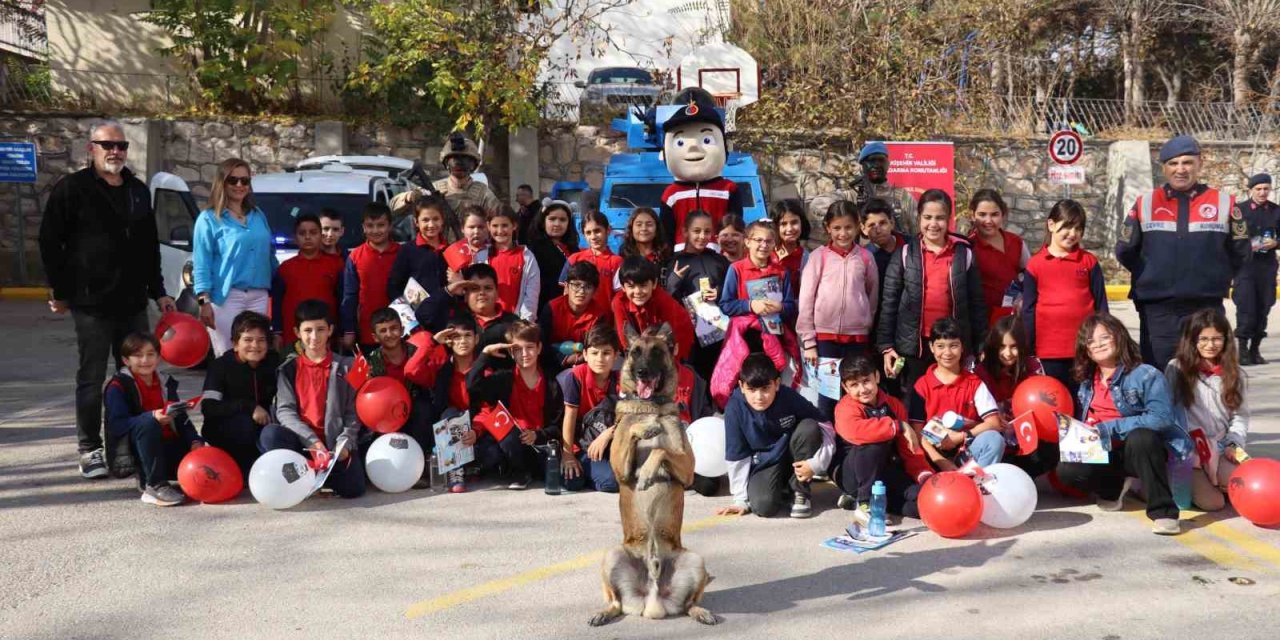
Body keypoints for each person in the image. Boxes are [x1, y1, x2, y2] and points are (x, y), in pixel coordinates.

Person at [38, 120, 176, 479]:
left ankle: (123, 448)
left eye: (121, 145)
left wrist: (158, 291)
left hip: (131, 303)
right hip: (91, 303)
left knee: (135, 376)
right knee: (92, 377)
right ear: (91, 148)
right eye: (107, 145)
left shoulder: (137, 190)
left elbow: (149, 248)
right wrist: (59, 289)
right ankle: (90, 449)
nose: (115, 151)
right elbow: (51, 241)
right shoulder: (72, 189)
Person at [1117, 134, 1250, 366]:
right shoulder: (1145, 203)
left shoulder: (1224, 203)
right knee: (1158, 378)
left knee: (1207, 378)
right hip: (1158, 310)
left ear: (1200, 163)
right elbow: (1125, 250)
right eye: (1173, 163)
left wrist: (1214, 275)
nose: (1181, 169)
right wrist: (1153, 272)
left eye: (1187, 162)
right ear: (1164, 168)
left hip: (1206, 308)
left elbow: (1241, 252)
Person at [1056, 312, 1191, 535]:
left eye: (1104, 337)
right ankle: (1112, 488)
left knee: (1142, 437)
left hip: (1138, 450)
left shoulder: (1146, 375)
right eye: (1090, 341)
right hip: (1104, 450)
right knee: (1067, 469)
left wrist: (1109, 428)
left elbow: (1161, 418)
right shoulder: (1087, 380)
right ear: (1086, 350)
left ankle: (1164, 512)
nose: (1098, 344)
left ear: (1119, 337)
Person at [877, 189, 986, 418]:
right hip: (914, 346)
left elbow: (976, 303)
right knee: (914, 405)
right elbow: (889, 303)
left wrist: (979, 345)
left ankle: (948, 451)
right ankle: (914, 451)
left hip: (950, 346)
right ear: (919, 218)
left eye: (940, 218)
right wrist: (887, 346)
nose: (933, 224)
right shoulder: (905, 254)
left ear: (949, 220)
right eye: (927, 217)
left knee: (950, 404)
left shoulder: (963, 254)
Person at [260, 299, 365, 499]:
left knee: (354, 489)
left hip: (334, 446)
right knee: (270, 434)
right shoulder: (287, 369)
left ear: (330, 330)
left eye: (320, 329)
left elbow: (355, 411)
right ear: (297, 332)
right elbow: (285, 411)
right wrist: (314, 444)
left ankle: (321, 476)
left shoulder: (348, 366)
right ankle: (301, 476)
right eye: (308, 330)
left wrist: (344, 444)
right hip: (303, 444)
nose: (314, 337)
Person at [716, 354, 834, 519]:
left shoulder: (788, 397)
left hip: (792, 457)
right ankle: (781, 487)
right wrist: (740, 499)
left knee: (809, 426)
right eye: (752, 389)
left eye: (765, 388)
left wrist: (817, 463)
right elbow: (737, 455)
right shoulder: (735, 408)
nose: (759, 397)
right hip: (764, 463)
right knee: (764, 506)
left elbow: (825, 425)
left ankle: (800, 493)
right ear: (741, 387)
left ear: (777, 384)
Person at [798, 200, 878, 419]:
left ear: (858, 227)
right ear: (827, 228)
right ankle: (828, 441)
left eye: (848, 227)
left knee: (856, 392)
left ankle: (852, 439)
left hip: (857, 340)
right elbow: (806, 299)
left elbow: (872, 295)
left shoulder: (865, 257)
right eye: (837, 228)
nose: (843, 233)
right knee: (827, 394)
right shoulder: (818, 257)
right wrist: (809, 341)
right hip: (825, 340)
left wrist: (865, 323)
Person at [105, 332, 205, 506]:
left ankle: (160, 475)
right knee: (149, 423)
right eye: (138, 355)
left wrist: (194, 441)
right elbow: (117, 425)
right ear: (126, 360)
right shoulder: (117, 386)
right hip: (135, 450)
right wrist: (152, 416)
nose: (145, 360)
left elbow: (181, 417)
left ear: (158, 357)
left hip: (167, 446)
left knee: (204, 465)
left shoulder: (165, 382)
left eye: (150, 354)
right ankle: (153, 485)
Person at [1165, 309, 1250, 511]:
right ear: (1192, 340)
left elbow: (1240, 416)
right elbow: (1168, 413)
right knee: (1214, 504)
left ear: (1226, 340)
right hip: (1189, 451)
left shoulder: (1235, 373)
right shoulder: (1177, 368)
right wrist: (1183, 447)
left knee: (1245, 486)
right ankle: (1142, 484)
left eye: (1216, 339)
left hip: (1220, 447)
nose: (1210, 345)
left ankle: (1218, 481)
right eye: (1203, 339)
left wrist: (1233, 443)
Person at [192, 158, 275, 356]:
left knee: (255, 355)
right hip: (226, 297)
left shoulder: (258, 214)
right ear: (222, 182)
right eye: (233, 180)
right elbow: (201, 263)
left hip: (258, 295)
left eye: (245, 181)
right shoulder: (209, 219)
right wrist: (204, 303)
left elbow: (269, 254)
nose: (239, 185)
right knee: (228, 356)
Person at [467, 320, 564, 490]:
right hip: (510, 445)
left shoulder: (551, 384)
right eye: (518, 349)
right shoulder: (504, 379)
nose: (524, 354)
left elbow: (557, 426)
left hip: (538, 446)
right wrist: (485, 354)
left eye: (530, 347)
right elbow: (473, 385)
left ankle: (526, 471)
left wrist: (538, 434)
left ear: (539, 348)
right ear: (511, 353)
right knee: (501, 436)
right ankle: (517, 472)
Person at [1022, 199, 1107, 392]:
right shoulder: (1035, 264)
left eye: (1078, 228)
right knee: (1054, 400)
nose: (1073, 233)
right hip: (1048, 352)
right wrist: (1029, 347)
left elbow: (1101, 305)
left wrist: (1103, 340)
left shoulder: (1089, 262)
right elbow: (1028, 309)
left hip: (1084, 349)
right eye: (1067, 226)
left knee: (1083, 400)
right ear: (1051, 225)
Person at [832, 355, 924, 524]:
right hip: (852, 474)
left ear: (877, 377)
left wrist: (923, 474)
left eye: (866, 381)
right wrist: (898, 426)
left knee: (922, 502)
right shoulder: (844, 407)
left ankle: (880, 504)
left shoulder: (894, 405)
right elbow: (857, 432)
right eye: (854, 385)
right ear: (845, 387)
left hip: (884, 471)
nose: (863, 389)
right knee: (873, 442)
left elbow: (909, 448)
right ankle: (864, 504)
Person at [912, 318, 1006, 470]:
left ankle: (976, 486)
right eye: (940, 346)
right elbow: (918, 435)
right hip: (934, 457)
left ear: (962, 347)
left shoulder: (974, 383)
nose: (947, 353)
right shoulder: (922, 386)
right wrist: (943, 464)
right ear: (931, 347)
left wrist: (960, 437)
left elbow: (994, 423)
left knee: (995, 439)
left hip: (966, 453)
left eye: (954, 346)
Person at [658, 88, 743, 248]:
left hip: (719, 258)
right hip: (681, 258)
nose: (693, 148)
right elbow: (666, 233)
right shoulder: (670, 194)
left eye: (707, 140)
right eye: (680, 142)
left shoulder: (729, 189)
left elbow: (736, 226)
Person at [201, 311, 279, 477]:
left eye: (261, 340)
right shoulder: (220, 366)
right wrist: (249, 407)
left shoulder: (274, 362)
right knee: (244, 423)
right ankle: (242, 470)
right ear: (235, 344)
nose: (255, 345)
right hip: (228, 428)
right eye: (248, 340)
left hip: (264, 427)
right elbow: (208, 407)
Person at [365, 308, 436, 480]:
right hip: (386, 416)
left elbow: (431, 381)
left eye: (394, 328)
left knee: (423, 407)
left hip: (415, 410)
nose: (389, 334)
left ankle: (421, 465)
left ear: (402, 330)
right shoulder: (371, 362)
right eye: (383, 330)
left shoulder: (416, 352)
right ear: (375, 337)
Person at [666, 210, 731, 383]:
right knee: (695, 375)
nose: (702, 236)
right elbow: (668, 298)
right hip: (690, 332)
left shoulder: (719, 260)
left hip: (719, 328)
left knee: (719, 370)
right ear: (685, 231)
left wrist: (718, 292)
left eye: (707, 231)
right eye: (696, 231)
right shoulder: (676, 262)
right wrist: (674, 280)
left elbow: (731, 288)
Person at [557, 323, 622, 493]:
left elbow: (633, 418)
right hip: (582, 445)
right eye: (594, 353)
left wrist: (608, 434)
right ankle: (584, 469)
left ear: (616, 355)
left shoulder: (622, 380)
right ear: (585, 354)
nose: (600, 358)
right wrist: (568, 454)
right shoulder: (576, 376)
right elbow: (569, 417)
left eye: (606, 353)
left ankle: (592, 471)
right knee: (610, 483)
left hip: (611, 443)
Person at [271, 213, 345, 350]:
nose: (307, 237)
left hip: (326, 337)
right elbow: (276, 303)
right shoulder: (285, 268)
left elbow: (343, 301)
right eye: (302, 233)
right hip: (293, 336)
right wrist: (277, 332)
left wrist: (343, 332)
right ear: (295, 237)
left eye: (313, 232)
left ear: (320, 235)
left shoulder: (337, 265)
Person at [426, 315, 483, 493]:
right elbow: (412, 371)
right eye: (456, 337)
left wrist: (476, 430)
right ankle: (455, 470)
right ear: (449, 341)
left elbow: (490, 408)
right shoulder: (442, 368)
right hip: (449, 427)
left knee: (493, 451)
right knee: (449, 414)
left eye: (467, 335)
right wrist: (434, 341)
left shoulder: (484, 367)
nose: (463, 341)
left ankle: (472, 467)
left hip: (476, 429)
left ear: (476, 338)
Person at [390, 133, 501, 221]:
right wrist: (409, 197)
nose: (459, 164)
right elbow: (392, 209)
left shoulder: (483, 193)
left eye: (465, 160)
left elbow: (500, 218)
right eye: (454, 160)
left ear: (473, 165)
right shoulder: (434, 189)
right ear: (446, 163)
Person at [386, 194, 451, 334]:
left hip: (447, 322)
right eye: (425, 220)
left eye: (435, 219)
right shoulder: (408, 251)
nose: (431, 225)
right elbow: (393, 287)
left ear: (442, 220)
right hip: (418, 324)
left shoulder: (450, 250)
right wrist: (409, 320)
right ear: (416, 222)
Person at [1233, 173, 1280, 365]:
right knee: (1246, 306)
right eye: (1258, 189)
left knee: (1264, 305)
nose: (1262, 192)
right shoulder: (1239, 211)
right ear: (1250, 190)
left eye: (1266, 189)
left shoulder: (1276, 211)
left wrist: (1275, 243)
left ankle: (1255, 350)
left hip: (1267, 265)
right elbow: (1229, 239)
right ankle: (1242, 350)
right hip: (1245, 266)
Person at [612, 256, 694, 358]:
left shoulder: (663, 300)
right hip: (644, 338)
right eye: (631, 286)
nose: (638, 292)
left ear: (654, 284)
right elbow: (624, 337)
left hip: (679, 335)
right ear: (623, 287)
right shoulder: (619, 302)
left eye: (643, 285)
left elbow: (670, 335)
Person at [968, 189, 1029, 323]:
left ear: (1003, 214)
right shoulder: (968, 247)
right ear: (972, 215)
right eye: (982, 215)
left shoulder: (1016, 242)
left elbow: (1030, 276)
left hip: (1014, 319)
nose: (988, 221)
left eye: (994, 214)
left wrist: (1024, 298)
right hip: (981, 321)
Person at [538, 261, 609, 374]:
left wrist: (578, 359)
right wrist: (564, 359)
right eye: (576, 285)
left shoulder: (599, 315)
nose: (581, 292)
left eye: (587, 287)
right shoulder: (552, 308)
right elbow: (541, 343)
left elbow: (597, 348)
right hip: (551, 364)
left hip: (584, 367)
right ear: (566, 286)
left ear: (595, 291)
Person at [473, 207, 540, 321]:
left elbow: (532, 293)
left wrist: (524, 322)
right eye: (495, 226)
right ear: (488, 226)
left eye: (504, 225)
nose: (500, 231)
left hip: (516, 322)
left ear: (514, 225)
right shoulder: (481, 257)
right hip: (486, 322)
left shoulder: (527, 257)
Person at [449, 263, 521, 350]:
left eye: (488, 288)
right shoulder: (456, 321)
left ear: (497, 293)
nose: (482, 293)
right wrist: (449, 290)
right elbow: (428, 317)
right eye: (475, 288)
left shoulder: (513, 323)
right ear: (466, 295)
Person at [563, 210, 621, 311]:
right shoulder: (574, 259)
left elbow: (619, 298)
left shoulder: (617, 262)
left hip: (604, 321)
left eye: (597, 231)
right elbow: (566, 293)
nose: (593, 237)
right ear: (584, 235)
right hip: (577, 320)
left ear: (608, 230)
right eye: (588, 233)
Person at [527, 201, 580, 308]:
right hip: (543, 307)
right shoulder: (534, 250)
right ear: (543, 222)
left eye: (562, 220)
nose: (557, 224)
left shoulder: (574, 249)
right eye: (552, 219)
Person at [853, 141, 915, 233]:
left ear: (888, 164)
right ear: (862, 166)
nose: (877, 165)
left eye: (881, 160)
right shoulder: (852, 195)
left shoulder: (902, 196)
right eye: (871, 161)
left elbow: (917, 229)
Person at [442, 204, 490, 281]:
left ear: (487, 227)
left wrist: (462, 282)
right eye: (471, 227)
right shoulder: (455, 252)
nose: (476, 231)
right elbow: (452, 280)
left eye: (480, 227)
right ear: (462, 228)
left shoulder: (494, 251)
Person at [620, 206, 671, 276]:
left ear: (657, 229)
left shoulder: (666, 256)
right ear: (631, 228)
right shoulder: (623, 255)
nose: (644, 228)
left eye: (649, 224)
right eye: (639, 225)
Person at [770, 198, 812, 278]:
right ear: (775, 226)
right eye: (783, 224)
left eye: (794, 222)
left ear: (802, 223)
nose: (789, 229)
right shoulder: (766, 251)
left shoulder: (805, 258)